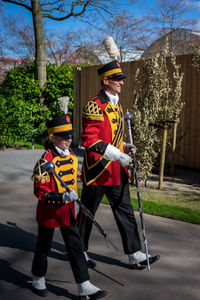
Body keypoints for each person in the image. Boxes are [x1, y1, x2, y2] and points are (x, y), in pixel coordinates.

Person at [77, 60, 160, 270]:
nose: (122, 83)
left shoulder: (117, 104)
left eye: (122, 79)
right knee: (87, 216)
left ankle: (134, 253)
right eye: (118, 79)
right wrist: (116, 154)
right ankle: (79, 252)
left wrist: (124, 147)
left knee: (125, 211)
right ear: (106, 81)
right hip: (97, 171)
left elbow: (111, 136)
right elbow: (89, 140)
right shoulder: (94, 105)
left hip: (116, 171)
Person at [31, 114, 107, 299]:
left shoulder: (72, 156)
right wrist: (62, 196)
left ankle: (84, 285)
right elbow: (40, 193)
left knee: (76, 247)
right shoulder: (44, 162)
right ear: (52, 137)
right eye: (64, 135)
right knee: (44, 247)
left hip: (67, 213)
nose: (69, 138)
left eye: (70, 135)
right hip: (49, 213)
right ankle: (38, 277)